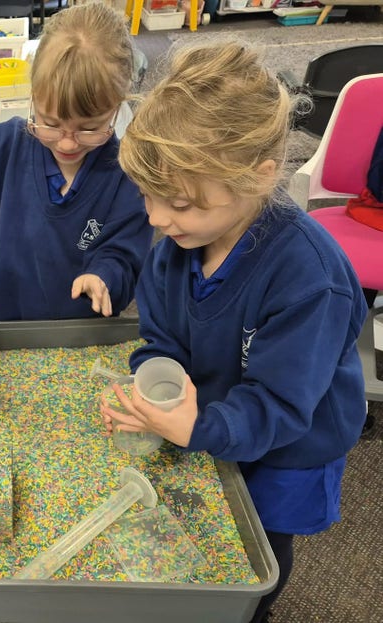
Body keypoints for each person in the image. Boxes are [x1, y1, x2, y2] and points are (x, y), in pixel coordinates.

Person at [102, 41, 367, 622]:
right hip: (220, 411)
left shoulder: (309, 280)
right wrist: (151, 377)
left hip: (293, 443)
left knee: (259, 549)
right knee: (211, 507)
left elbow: (280, 402)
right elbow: (162, 331)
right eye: (147, 196)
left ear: (258, 177)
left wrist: (201, 424)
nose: (154, 218)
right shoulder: (181, 241)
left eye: (176, 203)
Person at [0, 1, 152, 320]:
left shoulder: (126, 178)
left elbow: (124, 256)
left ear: (117, 107)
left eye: (89, 129)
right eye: (49, 122)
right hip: (8, 325)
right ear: (33, 96)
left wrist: (104, 278)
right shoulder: (4, 146)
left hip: (82, 335)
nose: (66, 142)